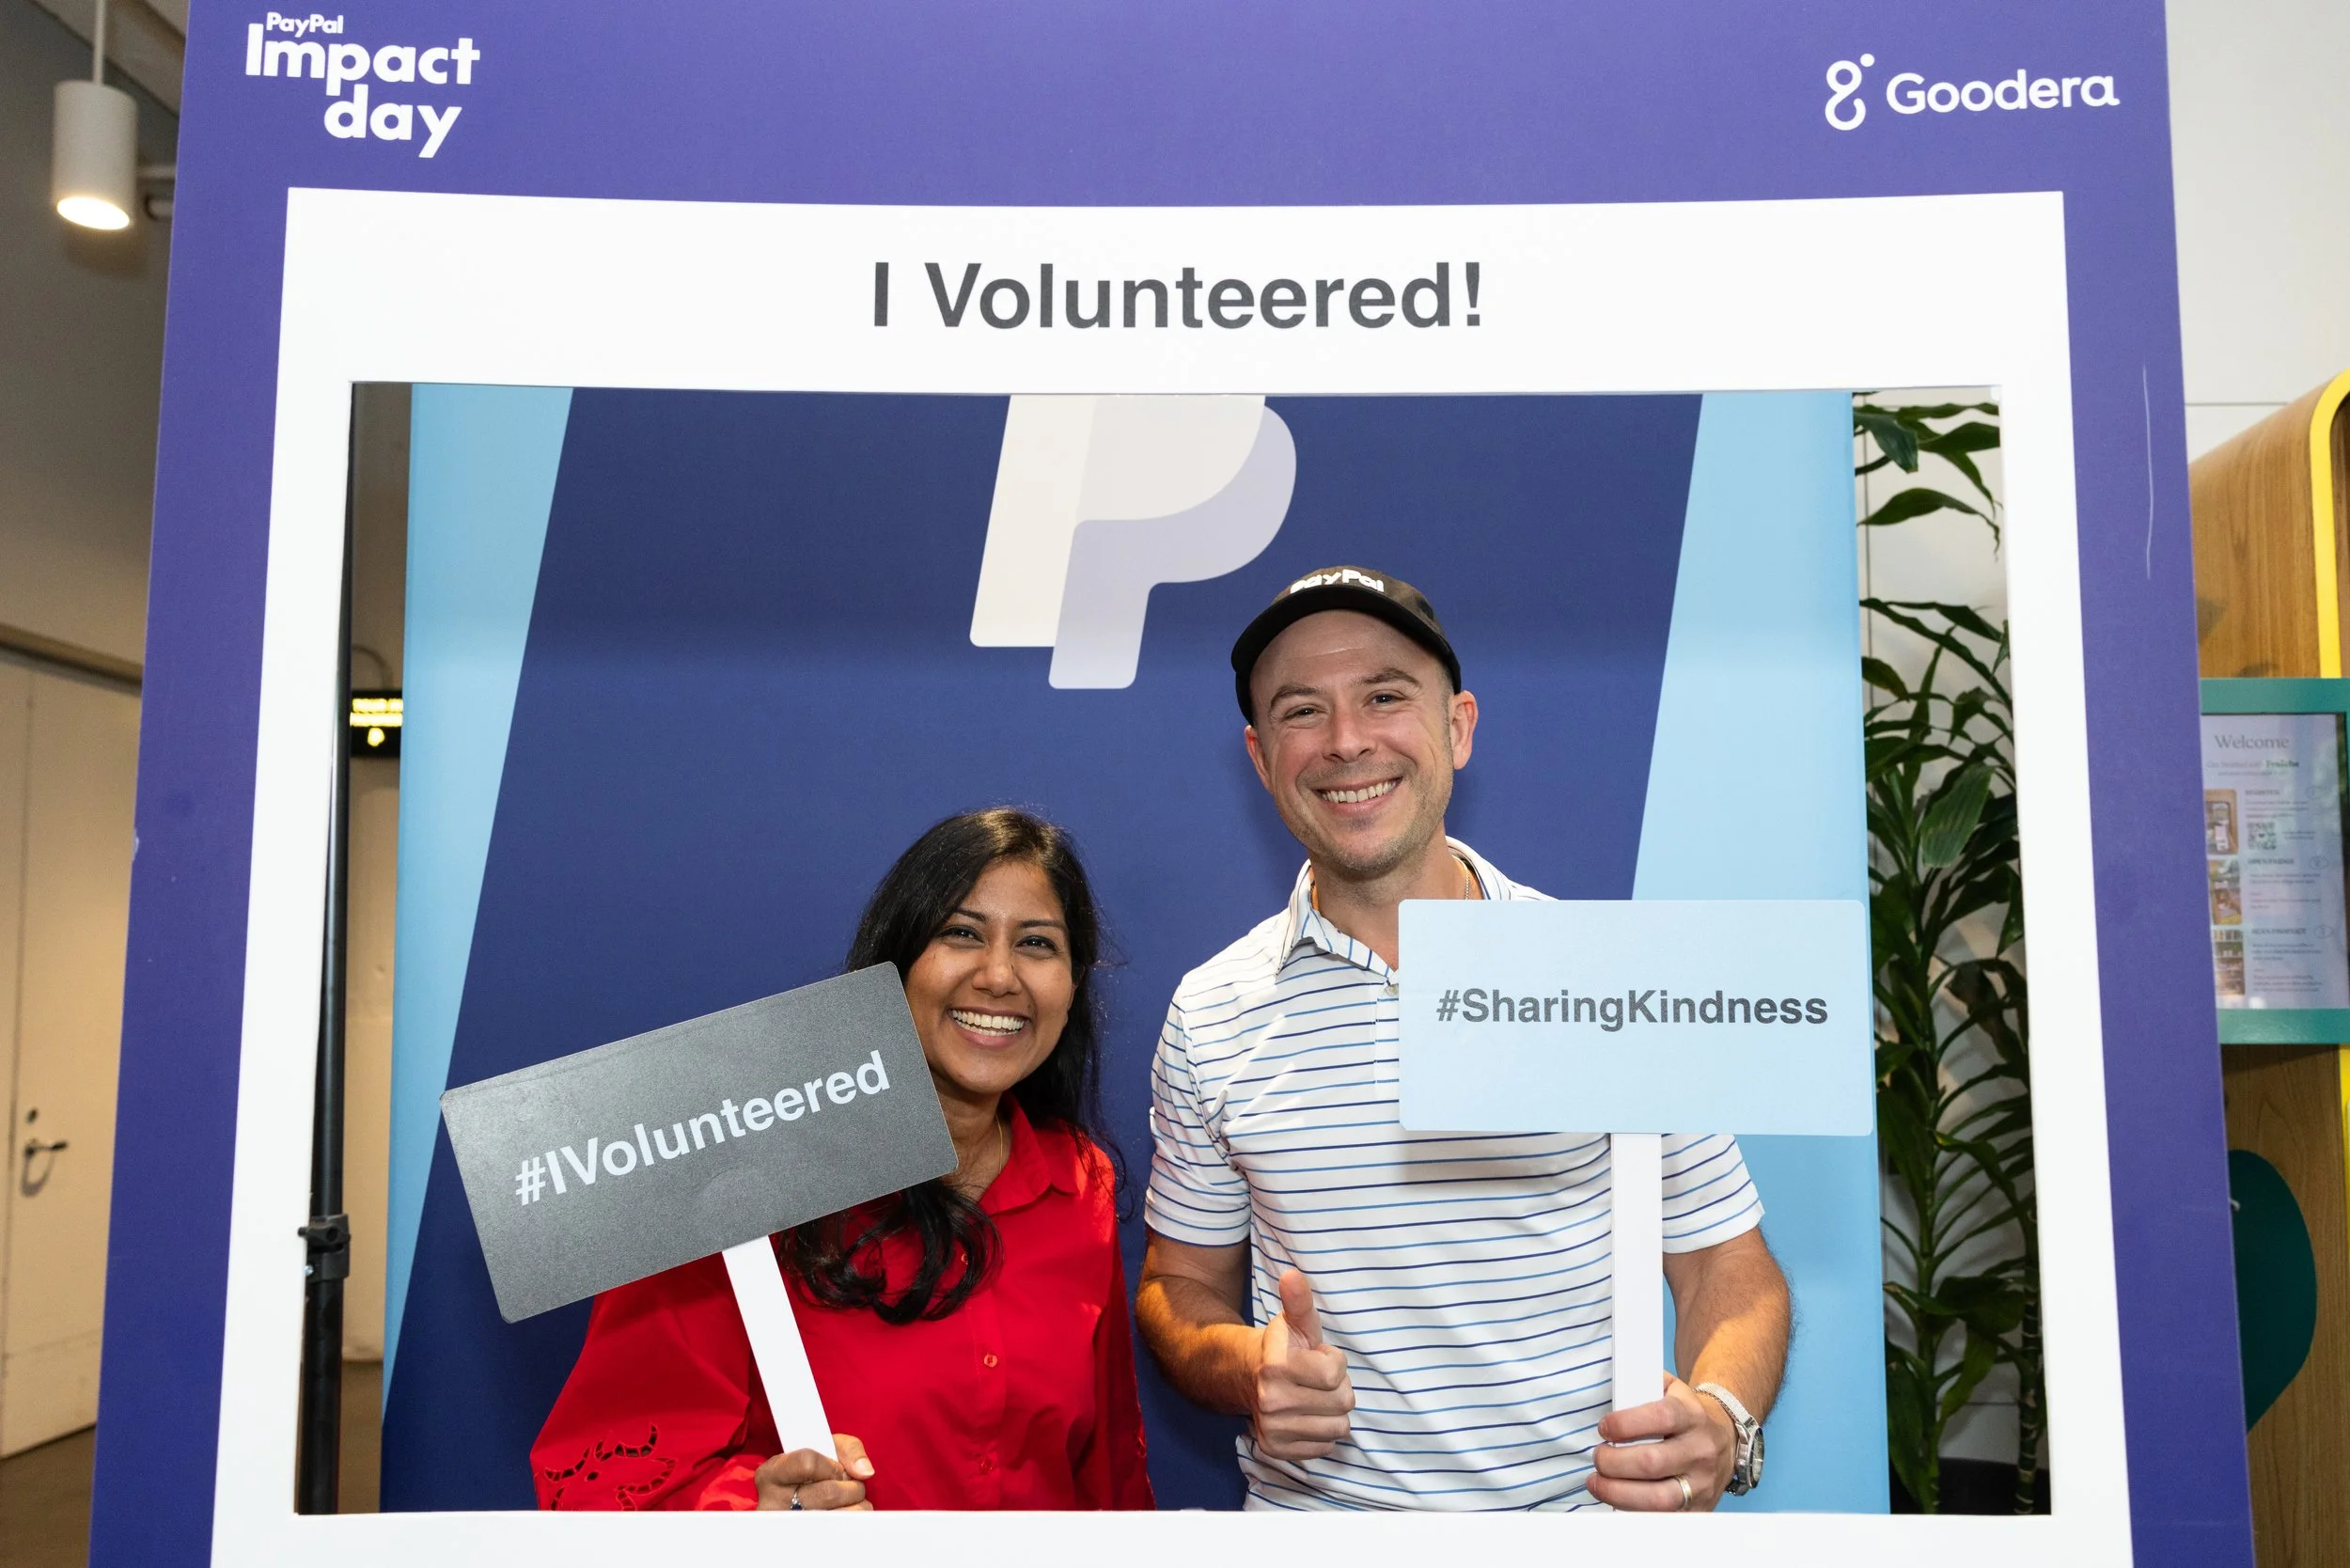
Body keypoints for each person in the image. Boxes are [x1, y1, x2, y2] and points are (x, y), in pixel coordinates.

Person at [1135, 565, 1791, 1513]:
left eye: (1384, 696)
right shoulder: (1209, 1010)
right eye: (1301, 711)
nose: (1346, 741)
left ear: (1458, 727)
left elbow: (1727, 1267)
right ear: (1259, 754)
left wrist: (1724, 1419)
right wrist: (1244, 1365)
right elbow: (1177, 1283)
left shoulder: (1603, 971)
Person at [533, 808, 1154, 1512]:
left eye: (1038, 944)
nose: (1000, 975)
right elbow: (600, 1478)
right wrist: (757, 1513)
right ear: (894, 965)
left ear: (1073, 987)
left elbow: (1107, 1483)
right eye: (960, 933)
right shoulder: (734, 1165)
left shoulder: (1080, 1183)